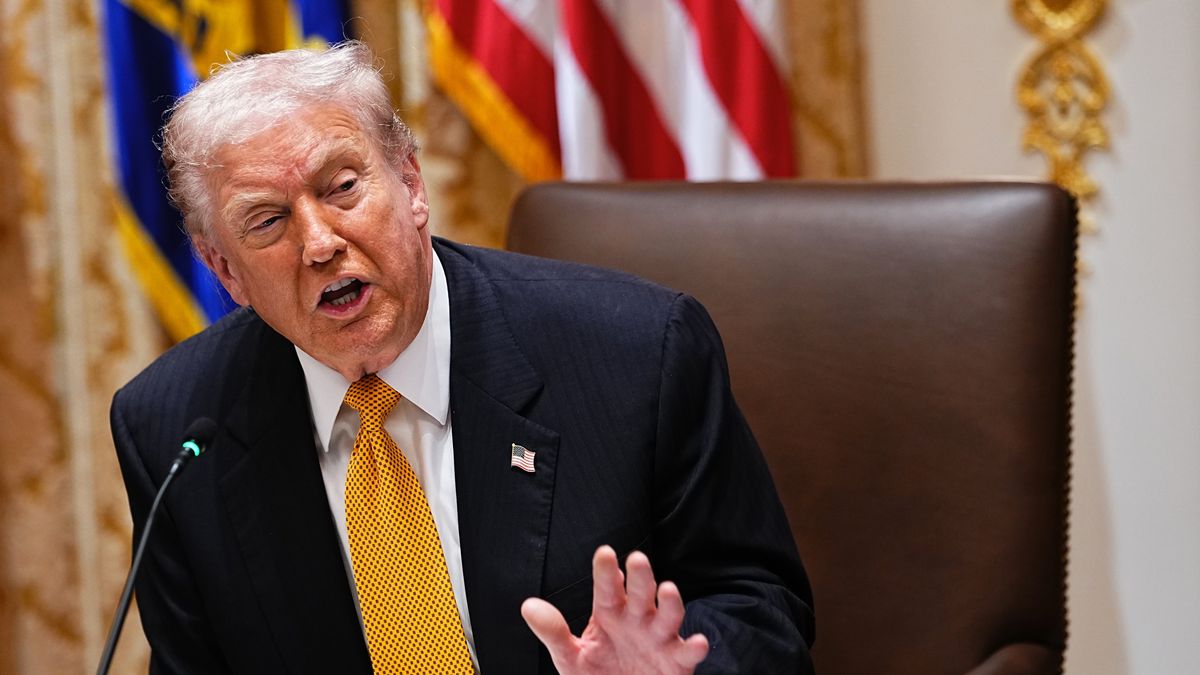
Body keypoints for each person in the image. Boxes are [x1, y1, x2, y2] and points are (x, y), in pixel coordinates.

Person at [111, 41, 814, 674]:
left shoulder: (636, 353)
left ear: (411, 184)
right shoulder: (173, 433)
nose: (320, 243)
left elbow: (761, 612)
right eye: (267, 221)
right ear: (224, 271)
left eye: (342, 187)